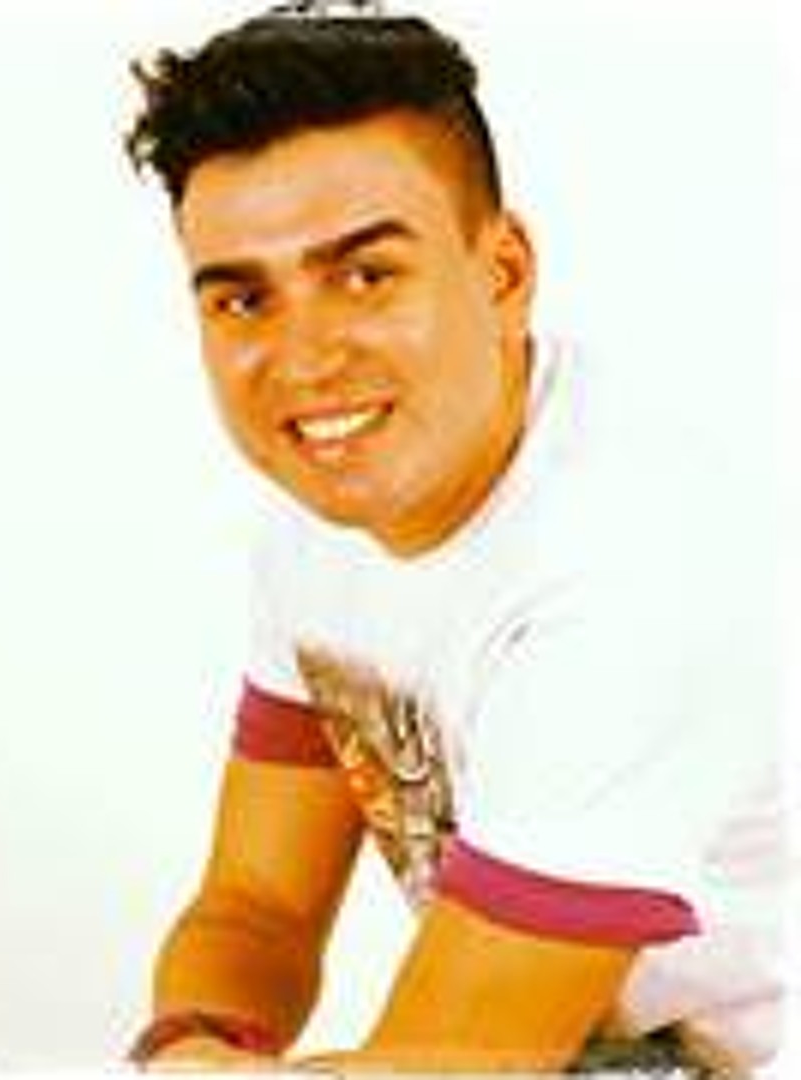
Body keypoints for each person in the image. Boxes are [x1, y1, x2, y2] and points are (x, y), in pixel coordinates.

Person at [121, 1, 788, 1072]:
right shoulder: (321, 520)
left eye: (365, 275)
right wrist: (195, 1045)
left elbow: (456, 1060)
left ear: (504, 271)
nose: (305, 360)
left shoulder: (630, 571)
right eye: (243, 300)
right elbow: (254, 908)